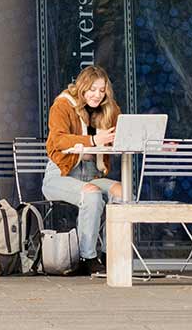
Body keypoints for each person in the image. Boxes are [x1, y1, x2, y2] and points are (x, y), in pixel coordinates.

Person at [43, 65, 123, 275]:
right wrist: (94, 139)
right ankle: (88, 256)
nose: (97, 95)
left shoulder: (109, 108)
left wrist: (152, 141)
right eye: (92, 89)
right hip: (61, 174)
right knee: (92, 194)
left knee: (122, 193)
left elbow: (122, 134)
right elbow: (58, 139)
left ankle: (111, 252)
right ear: (81, 88)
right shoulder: (62, 105)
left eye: (102, 90)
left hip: (92, 174)